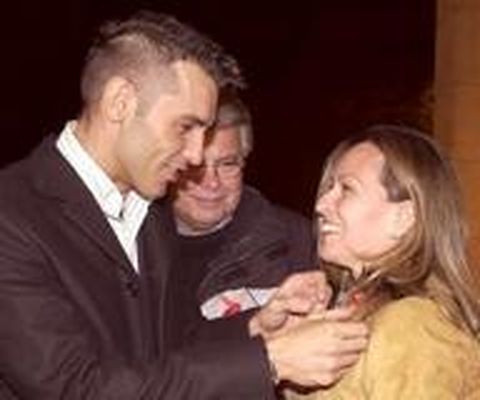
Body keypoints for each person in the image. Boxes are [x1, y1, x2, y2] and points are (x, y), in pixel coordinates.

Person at [0, 10, 368, 400]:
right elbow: (74, 387)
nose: (195, 155)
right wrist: (269, 360)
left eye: (204, 132)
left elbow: (174, 345)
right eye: (185, 127)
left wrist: (258, 327)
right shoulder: (12, 215)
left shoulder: (150, 214)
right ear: (120, 102)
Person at [285, 124, 480, 399]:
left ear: (404, 218)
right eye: (329, 188)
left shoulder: (411, 325)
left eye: (346, 189)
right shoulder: (366, 313)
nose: (321, 205)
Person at [163, 90, 316, 349]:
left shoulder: (296, 242)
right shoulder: (131, 250)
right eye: (196, 166)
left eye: (227, 164)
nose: (211, 182)